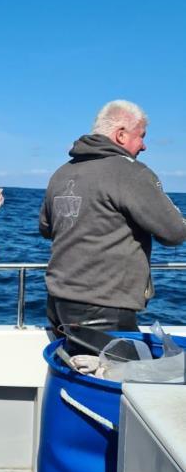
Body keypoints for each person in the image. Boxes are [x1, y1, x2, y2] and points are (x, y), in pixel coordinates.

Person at [39, 99, 186, 335]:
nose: (144, 146)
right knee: (115, 372)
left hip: (57, 302)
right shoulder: (131, 171)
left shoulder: (62, 172)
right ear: (121, 135)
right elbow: (175, 232)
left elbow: (46, 228)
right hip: (103, 308)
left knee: (72, 369)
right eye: (141, 136)